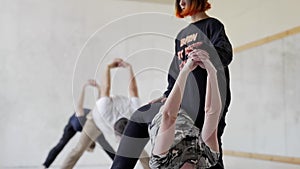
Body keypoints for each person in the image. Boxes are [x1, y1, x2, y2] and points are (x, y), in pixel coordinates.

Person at [110, 0, 232, 168]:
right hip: (183, 104)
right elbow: (176, 71)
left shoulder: (213, 25)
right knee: (140, 115)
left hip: (207, 102)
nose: (181, 1)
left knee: (209, 151)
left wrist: (206, 51)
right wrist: (167, 95)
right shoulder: (182, 35)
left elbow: (226, 54)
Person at [149, 55, 221, 168]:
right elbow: (212, 112)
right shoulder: (207, 158)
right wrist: (211, 71)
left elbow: (168, 116)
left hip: (152, 114)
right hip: (182, 113)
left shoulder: (162, 164)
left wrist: (185, 70)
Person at [92, 58, 150, 169]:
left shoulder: (105, 110)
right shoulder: (133, 112)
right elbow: (133, 89)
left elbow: (106, 88)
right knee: (136, 153)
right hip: (96, 118)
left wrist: (108, 67)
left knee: (136, 153)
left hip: (102, 116)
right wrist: (129, 68)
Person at [42, 80, 114, 169]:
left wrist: (97, 88)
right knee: (61, 144)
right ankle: (45, 165)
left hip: (80, 121)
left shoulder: (90, 127)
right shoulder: (85, 123)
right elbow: (81, 107)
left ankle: (45, 165)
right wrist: (85, 87)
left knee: (103, 143)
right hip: (75, 121)